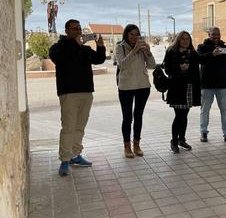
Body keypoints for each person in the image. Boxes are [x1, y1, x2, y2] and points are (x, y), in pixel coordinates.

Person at [49, 19, 106, 176]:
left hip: (86, 92)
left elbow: (99, 59)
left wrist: (100, 46)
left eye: (79, 28)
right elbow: (59, 58)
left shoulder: (85, 49)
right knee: (68, 127)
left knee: (80, 127)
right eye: (74, 29)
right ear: (67, 31)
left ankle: (75, 155)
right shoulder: (58, 47)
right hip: (68, 93)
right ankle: (65, 159)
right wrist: (75, 43)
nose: (78, 31)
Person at [115, 24, 156, 158]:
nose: (134, 37)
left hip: (143, 86)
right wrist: (134, 51)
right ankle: (127, 147)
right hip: (126, 87)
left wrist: (148, 52)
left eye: (136, 34)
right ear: (126, 34)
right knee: (127, 118)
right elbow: (122, 65)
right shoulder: (120, 47)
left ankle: (136, 145)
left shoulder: (142, 47)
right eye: (131, 34)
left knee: (138, 116)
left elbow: (152, 65)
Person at [197, 27, 226, 144]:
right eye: (213, 34)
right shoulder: (202, 47)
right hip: (207, 85)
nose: (216, 37)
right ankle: (203, 132)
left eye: (218, 34)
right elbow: (199, 60)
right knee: (205, 110)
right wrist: (212, 54)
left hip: (223, 84)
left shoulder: (225, 47)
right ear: (208, 34)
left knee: (225, 111)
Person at [164, 31, 201, 153]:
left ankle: (182, 139)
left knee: (184, 115)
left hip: (189, 88)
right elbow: (168, 69)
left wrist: (213, 53)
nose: (185, 41)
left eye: (187, 39)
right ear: (178, 40)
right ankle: (174, 141)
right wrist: (180, 69)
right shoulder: (171, 52)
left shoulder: (192, 53)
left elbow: (202, 60)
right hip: (176, 89)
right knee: (179, 115)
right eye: (183, 39)